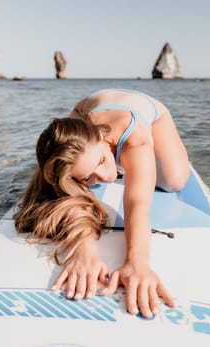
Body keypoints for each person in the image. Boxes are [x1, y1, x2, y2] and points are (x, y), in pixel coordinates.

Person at [14, 88, 189, 318]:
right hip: (87, 106)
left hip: (146, 108)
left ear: (102, 139)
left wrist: (137, 263)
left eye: (103, 161)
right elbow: (66, 194)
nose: (106, 177)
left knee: (174, 180)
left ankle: (128, 160)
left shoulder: (134, 138)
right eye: (87, 178)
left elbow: (136, 204)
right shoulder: (83, 140)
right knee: (63, 167)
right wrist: (83, 247)